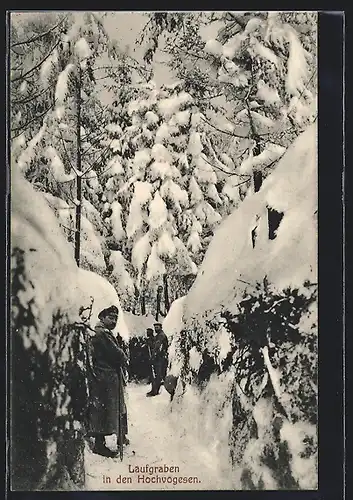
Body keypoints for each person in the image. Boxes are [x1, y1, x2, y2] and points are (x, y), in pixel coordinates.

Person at [87, 305, 129, 457]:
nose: (114, 321)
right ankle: (100, 444)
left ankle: (118, 436)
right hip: (104, 376)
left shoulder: (104, 332)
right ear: (102, 318)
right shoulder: (102, 333)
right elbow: (117, 354)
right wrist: (123, 357)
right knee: (104, 410)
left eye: (116, 318)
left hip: (107, 375)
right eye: (111, 318)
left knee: (108, 408)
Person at [146, 322, 169, 397]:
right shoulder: (158, 336)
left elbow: (157, 347)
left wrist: (153, 356)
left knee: (158, 375)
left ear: (161, 328)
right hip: (158, 358)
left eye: (157, 327)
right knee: (156, 374)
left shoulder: (161, 336)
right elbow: (153, 344)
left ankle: (155, 391)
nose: (156, 329)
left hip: (160, 358)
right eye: (155, 327)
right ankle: (154, 389)